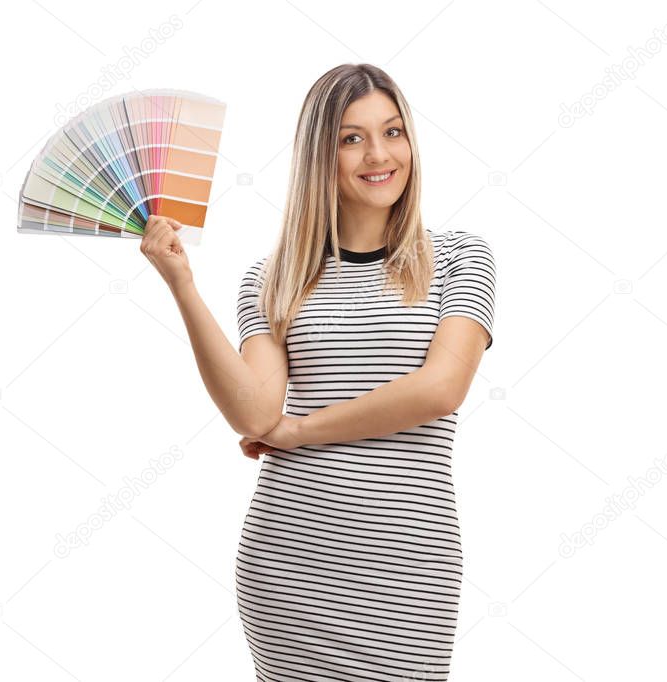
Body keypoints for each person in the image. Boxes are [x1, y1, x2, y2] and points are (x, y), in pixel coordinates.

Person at [139, 63, 495, 681]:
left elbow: (441, 389)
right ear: (318, 156)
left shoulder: (461, 257)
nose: (378, 154)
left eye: (392, 132)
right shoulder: (273, 279)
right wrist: (182, 286)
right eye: (351, 138)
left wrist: (300, 432)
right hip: (289, 560)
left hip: (410, 567)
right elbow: (254, 413)